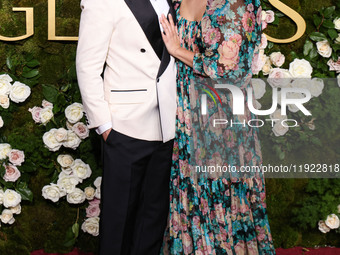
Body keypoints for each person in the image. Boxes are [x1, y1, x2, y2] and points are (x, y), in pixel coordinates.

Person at [159, 0, 276, 254]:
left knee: (221, 194)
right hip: (186, 114)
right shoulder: (176, 0)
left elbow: (234, 71)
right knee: (191, 193)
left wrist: (178, 50)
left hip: (222, 122)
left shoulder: (238, 3)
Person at [75, 0, 177, 254]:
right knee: (119, 218)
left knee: (153, 217)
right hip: (125, 123)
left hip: (167, 121)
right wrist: (103, 124)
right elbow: (87, 66)